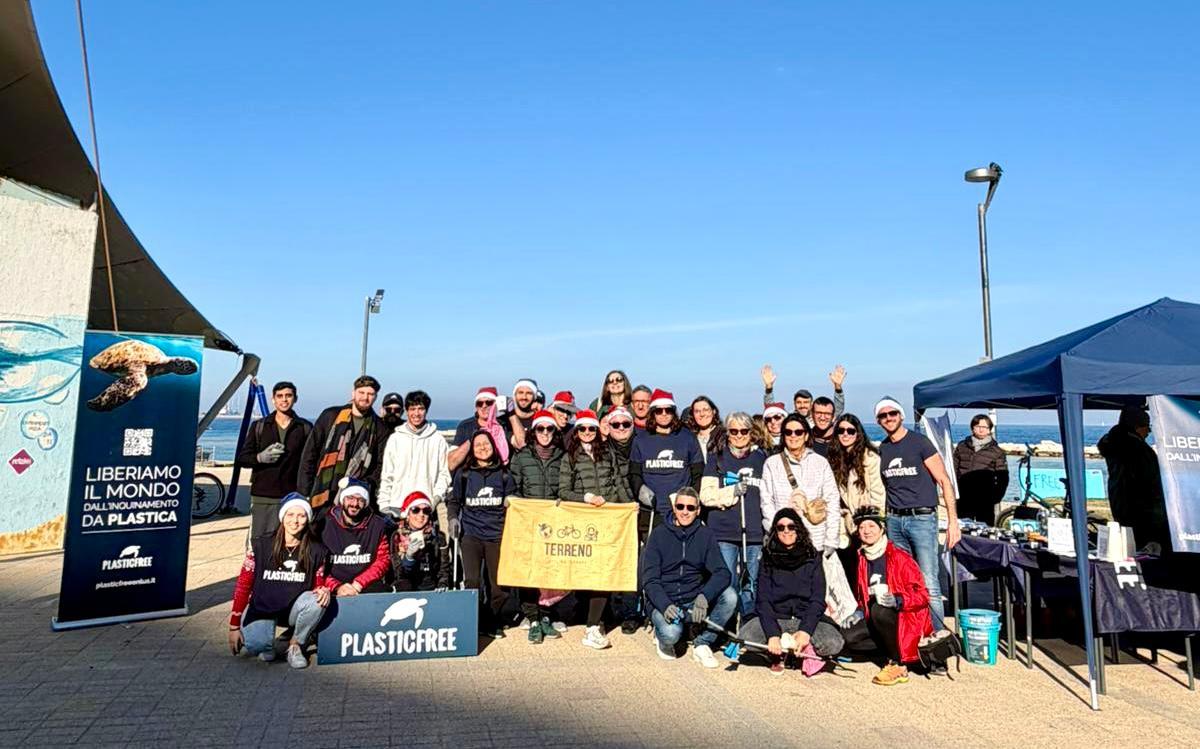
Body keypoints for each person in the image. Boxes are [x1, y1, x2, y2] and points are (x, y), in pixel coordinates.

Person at [875, 396, 958, 636]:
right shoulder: (882, 449)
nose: (888, 418)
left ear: (900, 416)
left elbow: (944, 481)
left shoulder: (920, 443)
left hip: (922, 519)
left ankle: (936, 636)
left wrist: (952, 522)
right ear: (878, 421)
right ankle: (912, 633)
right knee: (903, 581)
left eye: (892, 413)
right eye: (883, 415)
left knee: (928, 580)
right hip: (894, 520)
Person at [227, 495, 333, 669]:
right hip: (263, 607)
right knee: (257, 646)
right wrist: (234, 626)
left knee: (318, 600)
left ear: (307, 519)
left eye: (301, 516)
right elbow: (243, 586)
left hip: (293, 609)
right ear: (282, 517)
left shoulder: (316, 550)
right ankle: (265, 643)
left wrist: (323, 589)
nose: (295, 521)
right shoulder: (261, 545)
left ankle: (296, 644)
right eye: (290, 515)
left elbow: (318, 584)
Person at [556, 409, 631, 650]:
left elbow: (618, 481)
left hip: (608, 520)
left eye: (591, 428)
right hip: (584, 522)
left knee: (604, 572)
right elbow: (563, 491)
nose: (587, 432)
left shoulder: (607, 452)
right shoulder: (570, 456)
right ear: (576, 432)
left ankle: (593, 625)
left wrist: (628, 505)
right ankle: (591, 620)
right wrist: (586, 498)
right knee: (587, 573)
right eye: (582, 428)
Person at [739, 508, 845, 674]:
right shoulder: (768, 557)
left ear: (798, 529)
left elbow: (818, 599)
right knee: (746, 637)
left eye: (791, 526)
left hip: (805, 617)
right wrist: (772, 634)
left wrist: (805, 631)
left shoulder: (812, 557)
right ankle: (777, 653)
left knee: (833, 643)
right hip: (777, 617)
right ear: (775, 531)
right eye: (780, 527)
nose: (786, 531)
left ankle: (801, 648)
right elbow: (763, 599)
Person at [640, 487, 737, 668]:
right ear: (674, 508)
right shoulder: (659, 534)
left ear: (698, 510)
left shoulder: (705, 535)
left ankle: (703, 642)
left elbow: (723, 572)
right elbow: (650, 579)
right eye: (680, 506)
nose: (685, 511)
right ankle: (661, 636)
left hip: (693, 599)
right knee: (671, 634)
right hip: (666, 601)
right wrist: (664, 604)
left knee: (730, 596)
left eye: (690, 508)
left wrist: (705, 595)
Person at [842, 506, 933, 686]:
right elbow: (864, 595)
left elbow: (923, 596)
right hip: (877, 618)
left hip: (904, 618)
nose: (866, 531)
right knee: (847, 636)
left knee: (879, 610)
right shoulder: (862, 558)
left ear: (882, 529)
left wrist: (898, 600)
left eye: (871, 526)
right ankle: (888, 651)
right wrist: (858, 611)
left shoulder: (899, 558)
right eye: (861, 527)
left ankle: (898, 664)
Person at [447, 430, 516, 638]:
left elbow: (514, 500)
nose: (482, 448)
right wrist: (452, 519)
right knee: (473, 582)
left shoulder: (504, 474)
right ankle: (474, 620)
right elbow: (454, 501)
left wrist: (511, 500)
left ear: (493, 446)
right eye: (477, 445)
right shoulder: (464, 474)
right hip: (471, 535)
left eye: (486, 444)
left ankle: (491, 620)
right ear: (472, 450)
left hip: (496, 535)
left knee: (498, 586)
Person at [699, 411, 766, 619]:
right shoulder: (717, 459)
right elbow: (705, 496)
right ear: (727, 433)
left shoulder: (761, 458)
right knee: (727, 583)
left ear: (751, 432)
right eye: (734, 431)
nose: (739, 435)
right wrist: (731, 492)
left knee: (751, 584)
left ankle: (748, 625)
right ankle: (725, 624)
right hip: (724, 533)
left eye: (744, 431)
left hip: (754, 534)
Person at [509, 409, 567, 643]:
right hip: (528, 523)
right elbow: (514, 487)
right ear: (533, 431)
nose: (545, 433)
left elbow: (566, 487)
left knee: (550, 571)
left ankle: (546, 615)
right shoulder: (522, 456)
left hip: (554, 524)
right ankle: (532, 618)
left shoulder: (563, 457)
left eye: (549, 428)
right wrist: (516, 503)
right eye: (540, 428)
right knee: (529, 572)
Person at [236, 381, 313, 540]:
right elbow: (242, 458)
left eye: (288, 395)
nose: (284, 399)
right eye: (280, 396)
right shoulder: (259, 426)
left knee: (291, 541)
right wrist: (259, 457)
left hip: (293, 496)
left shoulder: (305, 428)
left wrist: (306, 492)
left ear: (295, 399)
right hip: (263, 496)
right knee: (260, 541)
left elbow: (311, 461)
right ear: (273, 399)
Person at [297, 375, 385, 511]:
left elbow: (380, 465)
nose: (365, 397)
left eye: (370, 394)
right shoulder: (330, 416)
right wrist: (304, 492)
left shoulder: (380, 428)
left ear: (375, 397)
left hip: (355, 498)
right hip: (321, 492)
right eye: (361, 392)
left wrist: (362, 484)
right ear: (353, 393)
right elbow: (310, 454)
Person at [760, 414, 841, 557]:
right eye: (788, 432)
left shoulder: (820, 463)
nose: (793, 436)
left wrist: (831, 539)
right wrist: (777, 530)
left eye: (798, 432)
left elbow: (832, 501)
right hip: (784, 539)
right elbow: (767, 502)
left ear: (806, 435)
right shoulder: (772, 464)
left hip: (816, 539)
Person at [1098, 404, 1169, 549]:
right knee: (1150, 550)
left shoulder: (1113, 444)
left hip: (1120, 505)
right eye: (1147, 426)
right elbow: (1151, 484)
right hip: (1145, 513)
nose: (1149, 431)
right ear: (1137, 427)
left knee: (1130, 547)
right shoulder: (1139, 450)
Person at [378, 390, 451, 526]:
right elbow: (387, 475)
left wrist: (436, 498)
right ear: (406, 411)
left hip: (425, 509)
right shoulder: (395, 439)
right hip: (397, 508)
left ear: (426, 410)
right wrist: (384, 505)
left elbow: (444, 474)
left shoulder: (438, 440)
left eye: (420, 409)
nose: (416, 413)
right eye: (412, 409)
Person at [630, 389, 704, 520]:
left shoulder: (687, 437)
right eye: (659, 411)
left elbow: (698, 473)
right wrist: (641, 491)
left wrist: (689, 499)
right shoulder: (640, 440)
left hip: (681, 511)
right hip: (650, 511)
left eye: (668, 410)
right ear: (653, 413)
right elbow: (634, 473)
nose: (664, 414)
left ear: (673, 412)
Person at [827, 413, 886, 573]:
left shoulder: (870, 458)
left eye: (850, 431)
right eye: (841, 430)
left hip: (865, 523)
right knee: (849, 570)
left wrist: (874, 524)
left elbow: (878, 494)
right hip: (845, 525)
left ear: (858, 433)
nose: (845, 434)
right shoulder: (836, 459)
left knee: (869, 570)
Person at [321, 481, 392, 596]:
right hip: (333, 587)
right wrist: (337, 587)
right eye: (350, 498)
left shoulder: (377, 525)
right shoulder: (324, 525)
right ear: (343, 499)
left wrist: (359, 583)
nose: (355, 504)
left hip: (365, 585)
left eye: (360, 500)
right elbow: (317, 565)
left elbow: (383, 560)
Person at [952, 414, 1010, 525]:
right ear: (972, 428)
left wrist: (996, 497)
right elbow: (954, 469)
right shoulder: (962, 446)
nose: (981, 430)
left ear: (989, 430)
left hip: (985, 498)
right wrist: (953, 489)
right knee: (963, 527)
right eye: (978, 426)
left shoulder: (997, 451)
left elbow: (1003, 477)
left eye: (985, 427)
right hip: (963, 496)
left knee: (985, 529)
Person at [390, 491, 451, 592]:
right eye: (415, 510)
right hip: (407, 588)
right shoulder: (397, 536)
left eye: (426, 511)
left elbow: (443, 568)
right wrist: (409, 558)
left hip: (432, 587)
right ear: (407, 515)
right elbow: (398, 574)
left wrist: (442, 585)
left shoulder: (438, 536)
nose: (421, 514)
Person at [760, 364, 847, 425]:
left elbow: (837, 410)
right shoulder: (788, 419)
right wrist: (769, 388)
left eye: (806, 402)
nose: (802, 405)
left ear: (812, 404)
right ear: (794, 404)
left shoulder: (818, 419)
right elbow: (771, 410)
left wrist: (838, 387)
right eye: (799, 402)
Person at [449, 387, 509, 472]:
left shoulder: (504, 425)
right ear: (476, 407)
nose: (484, 406)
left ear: (496, 405)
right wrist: (474, 438)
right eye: (480, 403)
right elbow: (451, 463)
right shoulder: (465, 426)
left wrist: (512, 413)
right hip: (470, 476)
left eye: (489, 403)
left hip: (498, 475)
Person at [685, 395, 723, 463]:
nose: (702, 414)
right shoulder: (689, 438)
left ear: (714, 411)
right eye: (697, 411)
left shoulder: (724, 435)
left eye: (705, 410)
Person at [508, 378, 540, 449]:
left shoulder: (540, 420)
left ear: (535, 397)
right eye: (520, 392)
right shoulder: (504, 420)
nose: (524, 397)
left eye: (529, 393)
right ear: (515, 395)